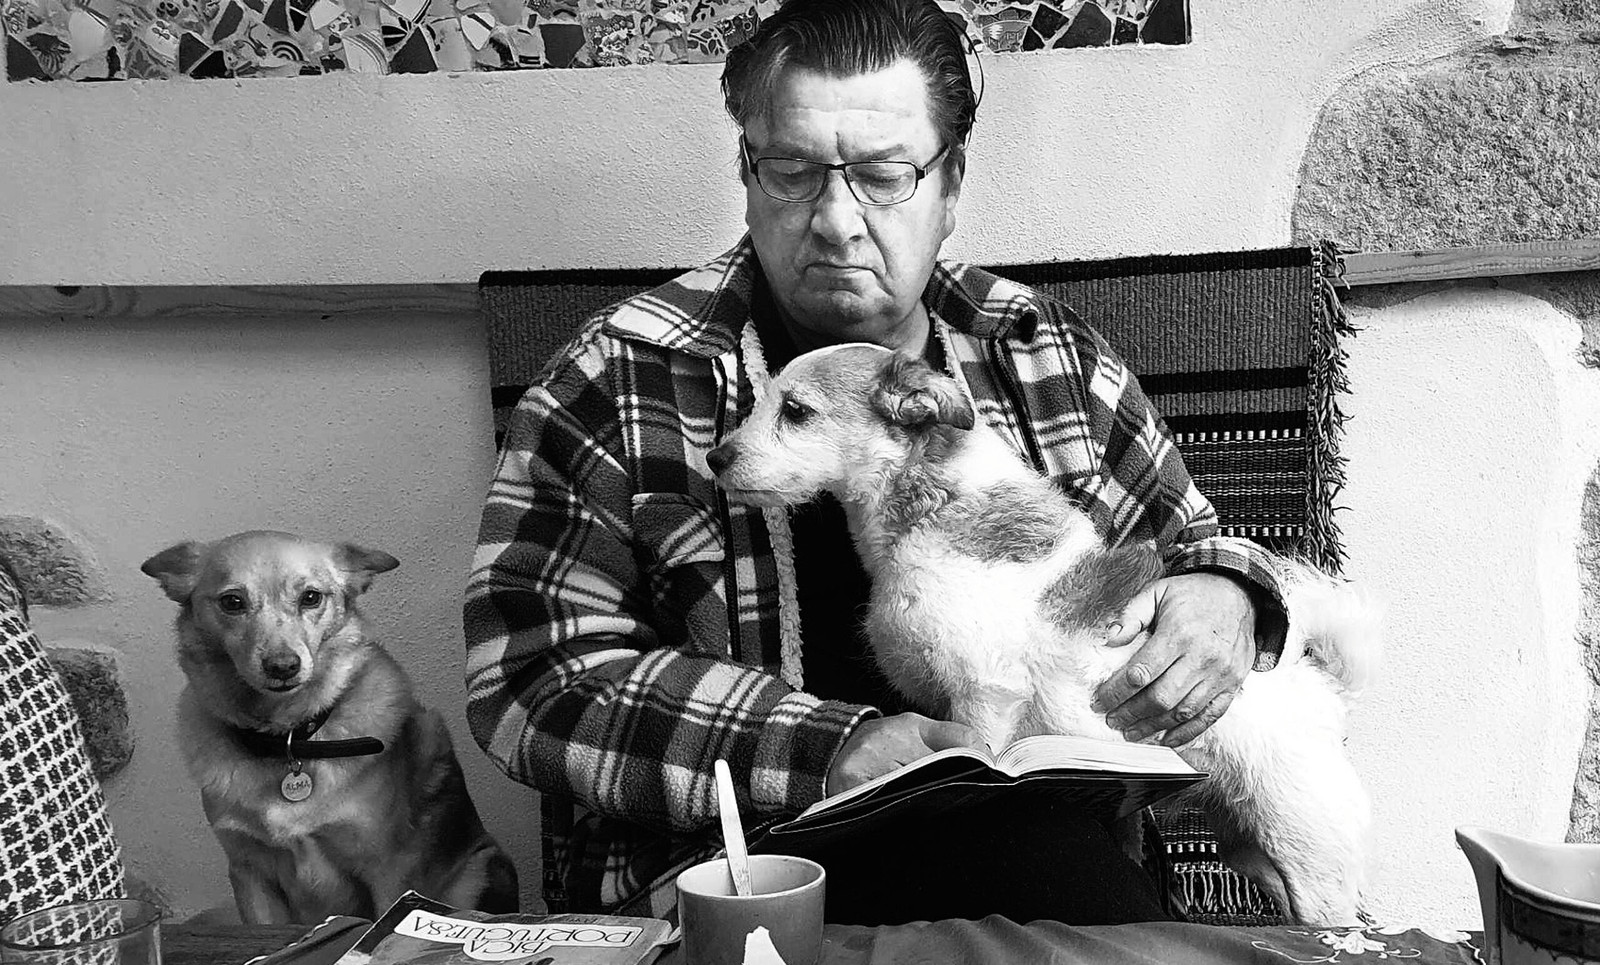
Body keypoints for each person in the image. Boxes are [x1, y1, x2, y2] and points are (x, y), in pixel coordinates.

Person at [464, 0, 1289, 926]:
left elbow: (1193, 544)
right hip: (734, 878)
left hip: (1050, 852)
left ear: (951, 183)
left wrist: (1225, 592)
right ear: (746, 173)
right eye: (792, 171)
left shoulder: (1041, 350)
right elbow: (529, 680)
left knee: (1059, 883)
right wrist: (825, 749)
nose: (836, 221)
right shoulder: (616, 376)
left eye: (885, 175)